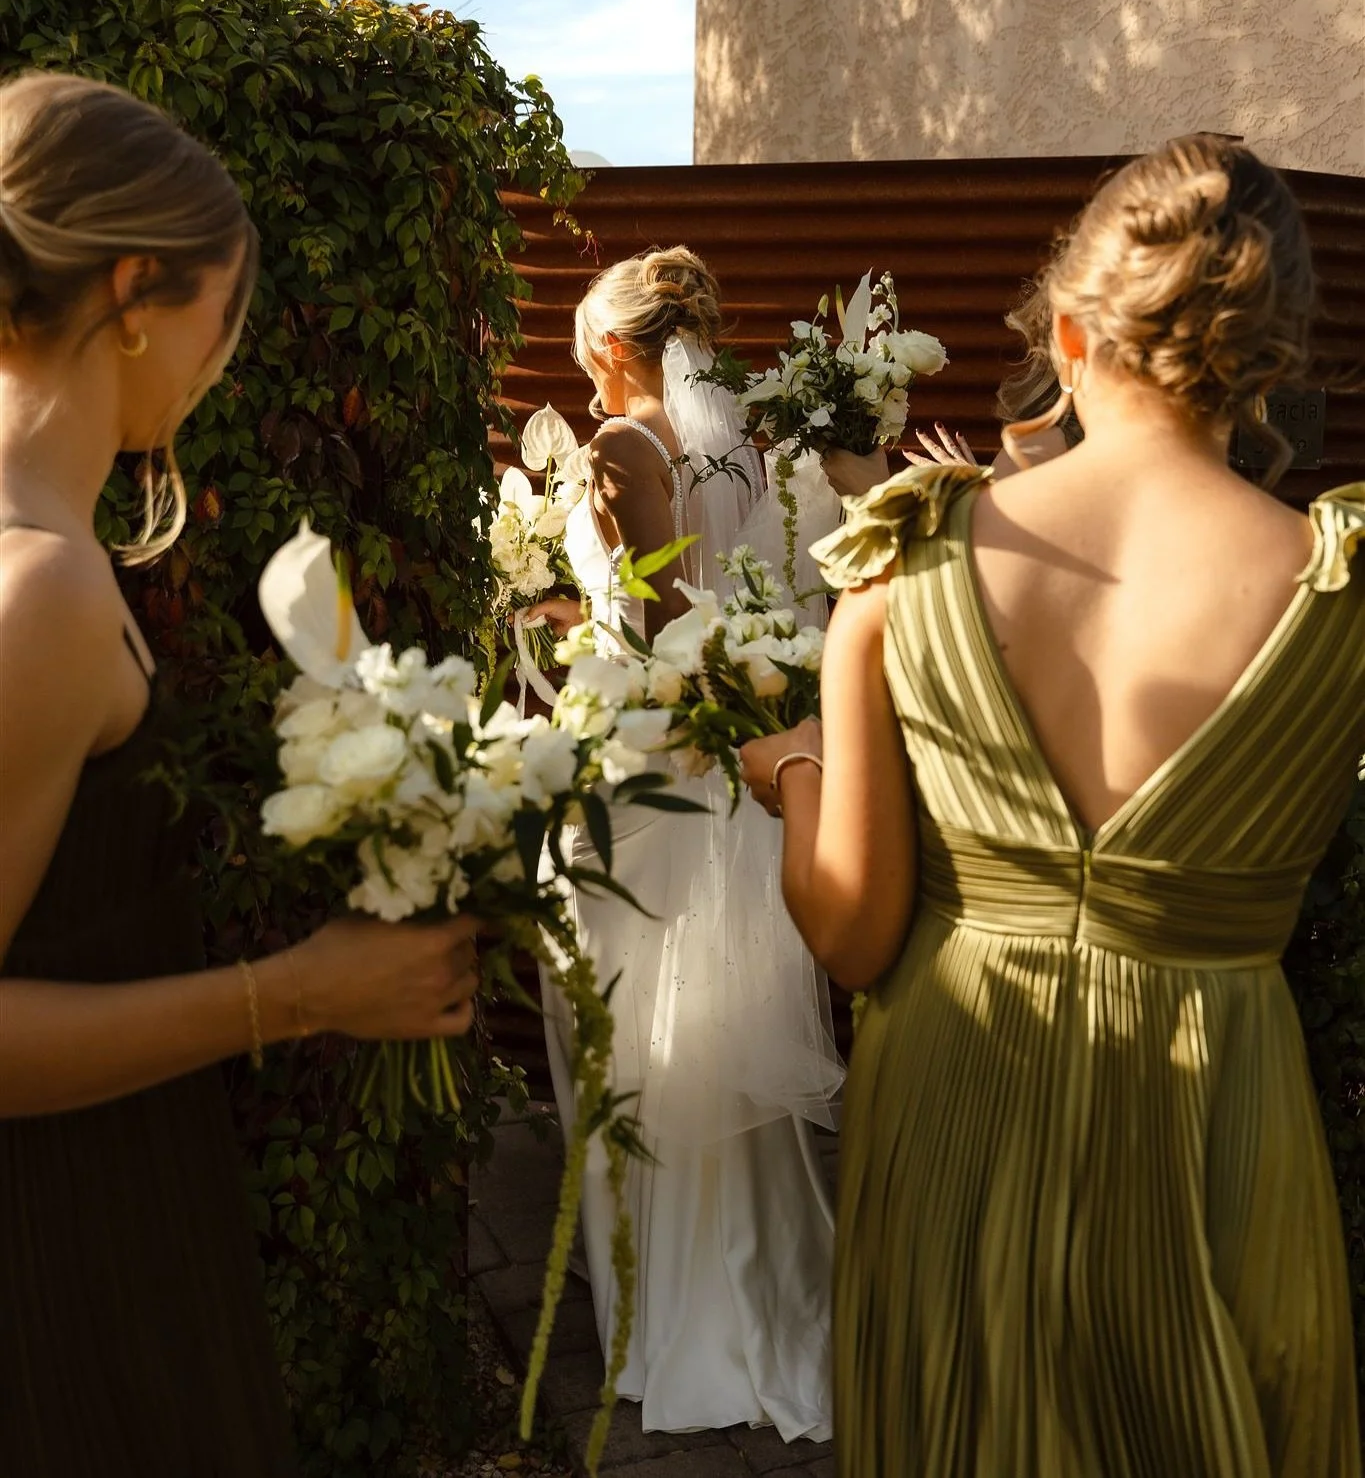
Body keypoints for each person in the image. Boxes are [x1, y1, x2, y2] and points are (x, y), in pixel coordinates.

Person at [739, 133, 1364, 1476]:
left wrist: (792, 773)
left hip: (960, 1089)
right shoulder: (1341, 593)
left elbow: (850, 936)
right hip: (1217, 1110)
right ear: (1270, 354)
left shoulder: (904, 563)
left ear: (1070, 333)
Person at [0, 72, 481, 1478]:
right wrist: (303, 991)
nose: (228, 350)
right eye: (228, 303)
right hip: (57, 1238)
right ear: (139, 287)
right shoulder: (43, 587)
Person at [529, 247, 843, 1439]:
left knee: (622, 1027)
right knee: (702, 1027)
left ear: (616, 346)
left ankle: (662, 1306)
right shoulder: (736, 443)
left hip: (644, 758)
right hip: (730, 757)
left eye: (584, 354)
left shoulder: (622, 445)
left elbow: (663, 613)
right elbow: (742, 590)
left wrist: (580, 630)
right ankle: (749, 1281)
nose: (588, 379)